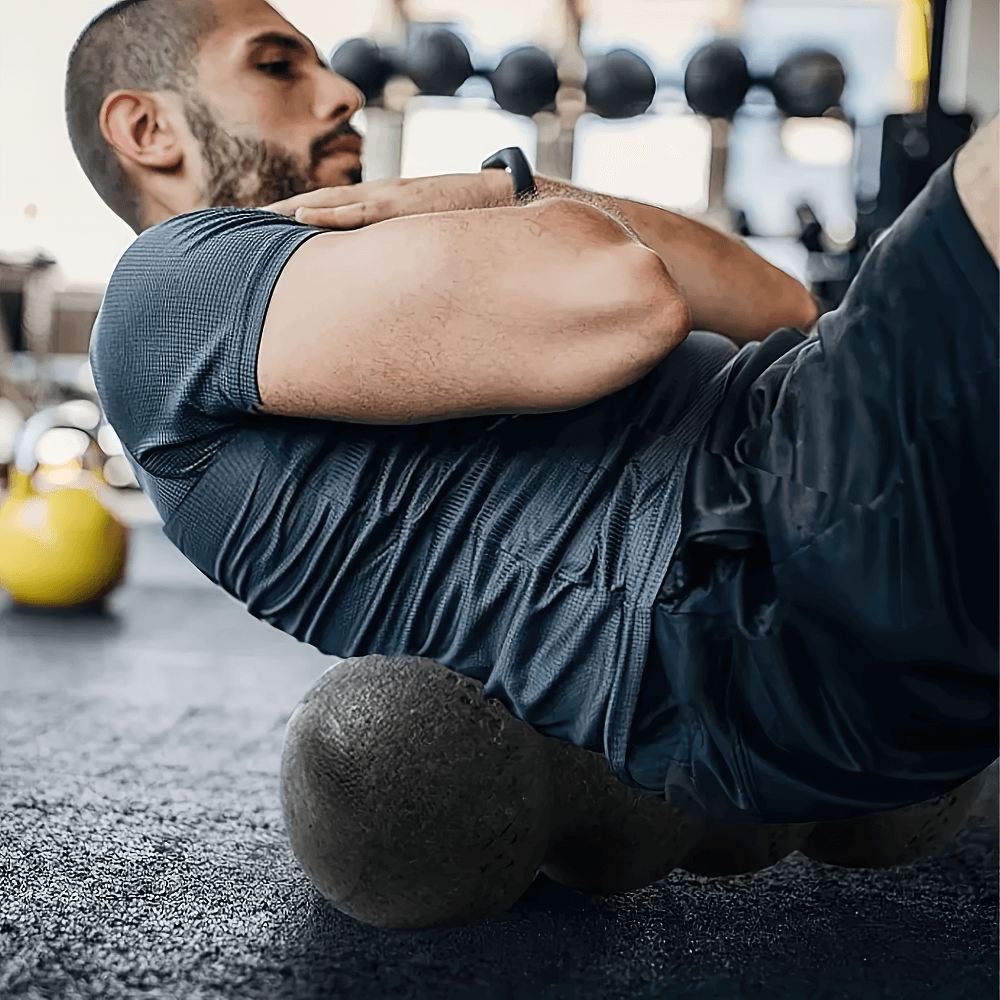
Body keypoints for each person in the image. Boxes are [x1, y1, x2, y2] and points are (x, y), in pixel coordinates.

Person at [70, 0, 997, 928]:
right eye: (277, 68)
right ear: (147, 129)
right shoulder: (170, 284)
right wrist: (497, 194)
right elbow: (623, 299)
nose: (344, 92)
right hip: (769, 560)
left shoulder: (299, 292)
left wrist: (523, 188)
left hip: (813, 552)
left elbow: (780, 307)